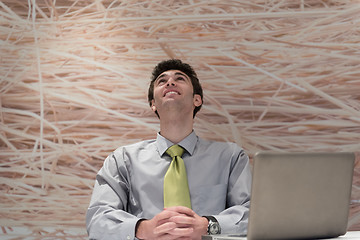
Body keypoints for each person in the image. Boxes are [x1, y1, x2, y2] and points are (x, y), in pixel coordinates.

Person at [86, 59, 252, 240]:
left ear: (197, 99)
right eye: (162, 81)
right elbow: (97, 218)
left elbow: (253, 214)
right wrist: (143, 228)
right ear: (153, 104)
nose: (170, 82)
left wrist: (207, 226)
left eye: (180, 79)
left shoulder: (231, 157)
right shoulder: (122, 160)